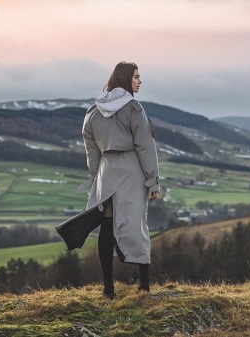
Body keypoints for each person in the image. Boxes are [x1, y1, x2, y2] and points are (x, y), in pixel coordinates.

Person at [82, 61, 161, 298]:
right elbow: (146, 147)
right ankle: (144, 285)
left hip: (106, 170)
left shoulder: (93, 111)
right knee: (136, 224)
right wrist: (153, 181)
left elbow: (90, 148)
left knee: (106, 226)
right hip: (131, 170)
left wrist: (97, 175)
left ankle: (108, 288)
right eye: (136, 77)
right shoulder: (134, 109)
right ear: (126, 79)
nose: (140, 81)